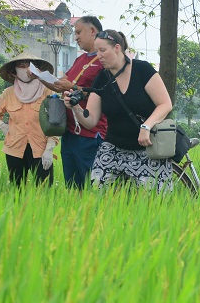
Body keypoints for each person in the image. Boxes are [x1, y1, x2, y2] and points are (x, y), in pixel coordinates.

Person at [69, 30, 174, 190]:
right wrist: (75, 107)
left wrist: (146, 126)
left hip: (148, 148)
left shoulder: (142, 70)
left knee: (153, 201)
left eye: (102, 50)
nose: (99, 56)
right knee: (98, 194)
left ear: (117, 48)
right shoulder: (101, 78)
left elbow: (165, 104)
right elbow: (90, 121)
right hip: (113, 147)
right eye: (97, 51)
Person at [37, 15, 108, 189]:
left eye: (78, 32)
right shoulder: (80, 59)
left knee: (91, 184)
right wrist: (39, 76)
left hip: (90, 133)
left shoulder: (104, 62)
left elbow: (102, 94)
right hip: (69, 131)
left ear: (93, 31)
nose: (75, 37)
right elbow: (60, 85)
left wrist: (73, 87)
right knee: (72, 184)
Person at [0, 51, 58, 187]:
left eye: (30, 65)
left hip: (41, 149)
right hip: (15, 148)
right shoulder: (8, 93)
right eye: (22, 66)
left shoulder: (48, 92)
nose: (27, 69)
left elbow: (55, 122)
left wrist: (49, 149)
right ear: (14, 72)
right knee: (17, 190)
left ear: (37, 70)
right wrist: (2, 125)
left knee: (45, 191)